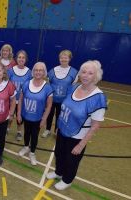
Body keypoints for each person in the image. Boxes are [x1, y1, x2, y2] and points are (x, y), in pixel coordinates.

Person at [46, 60, 107, 190]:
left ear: (96, 77)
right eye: (83, 72)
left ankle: (67, 180)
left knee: (71, 160)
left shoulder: (98, 98)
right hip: (62, 131)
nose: (85, 75)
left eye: (90, 73)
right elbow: (63, 109)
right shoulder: (74, 87)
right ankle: (58, 172)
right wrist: (58, 127)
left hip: (77, 137)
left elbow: (95, 125)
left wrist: (81, 144)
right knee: (59, 154)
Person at [17, 62, 53, 165]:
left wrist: (44, 119)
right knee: (26, 133)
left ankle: (32, 152)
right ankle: (26, 147)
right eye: (36, 70)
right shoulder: (26, 83)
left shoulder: (47, 87)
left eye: (40, 70)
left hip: (37, 118)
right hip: (26, 115)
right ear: (33, 71)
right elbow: (20, 99)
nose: (38, 72)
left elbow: (49, 105)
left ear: (44, 72)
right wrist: (19, 113)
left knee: (35, 135)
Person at [42, 50, 78, 137]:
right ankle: (47, 129)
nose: (63, 59)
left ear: (69, 59)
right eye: (62, 57)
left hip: (64, 100)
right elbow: (48, 84)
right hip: (52, 99)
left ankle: (57, 130)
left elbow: (74, 87)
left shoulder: (74, 72)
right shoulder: (53, 70)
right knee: (50, 114)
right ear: (59, 58)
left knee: (60, 116)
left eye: (66, 57)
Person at [7, 50, 32, 141]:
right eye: (19, 57)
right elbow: (7, 84)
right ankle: (7, 129)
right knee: (9, 116)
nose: (21, 59)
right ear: (16, 59)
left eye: (23, 57)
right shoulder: (10, 70)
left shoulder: (29, 72)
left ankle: (19, 132)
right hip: (11, 99)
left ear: (26, 59)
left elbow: (30, 86)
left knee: (19, 117)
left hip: (22, 100)